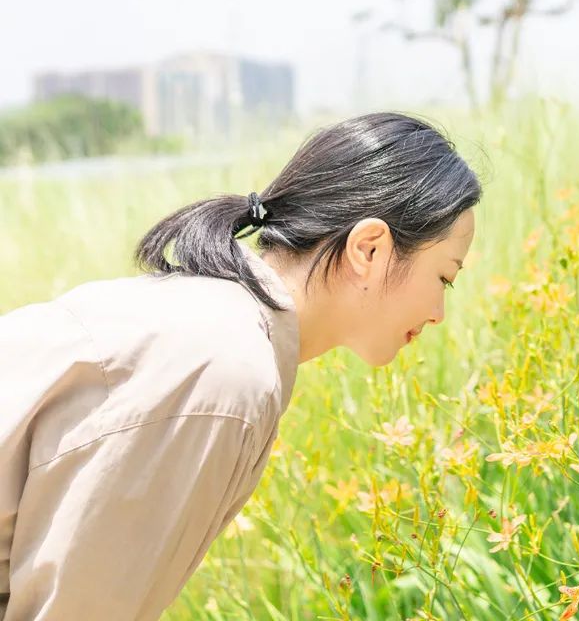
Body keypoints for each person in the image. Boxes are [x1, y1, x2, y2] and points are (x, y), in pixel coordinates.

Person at [0, 112, 482, 620]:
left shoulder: (208, 323)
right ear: (368, 249)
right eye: (444, 278)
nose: (439, 313)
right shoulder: (224, 372)